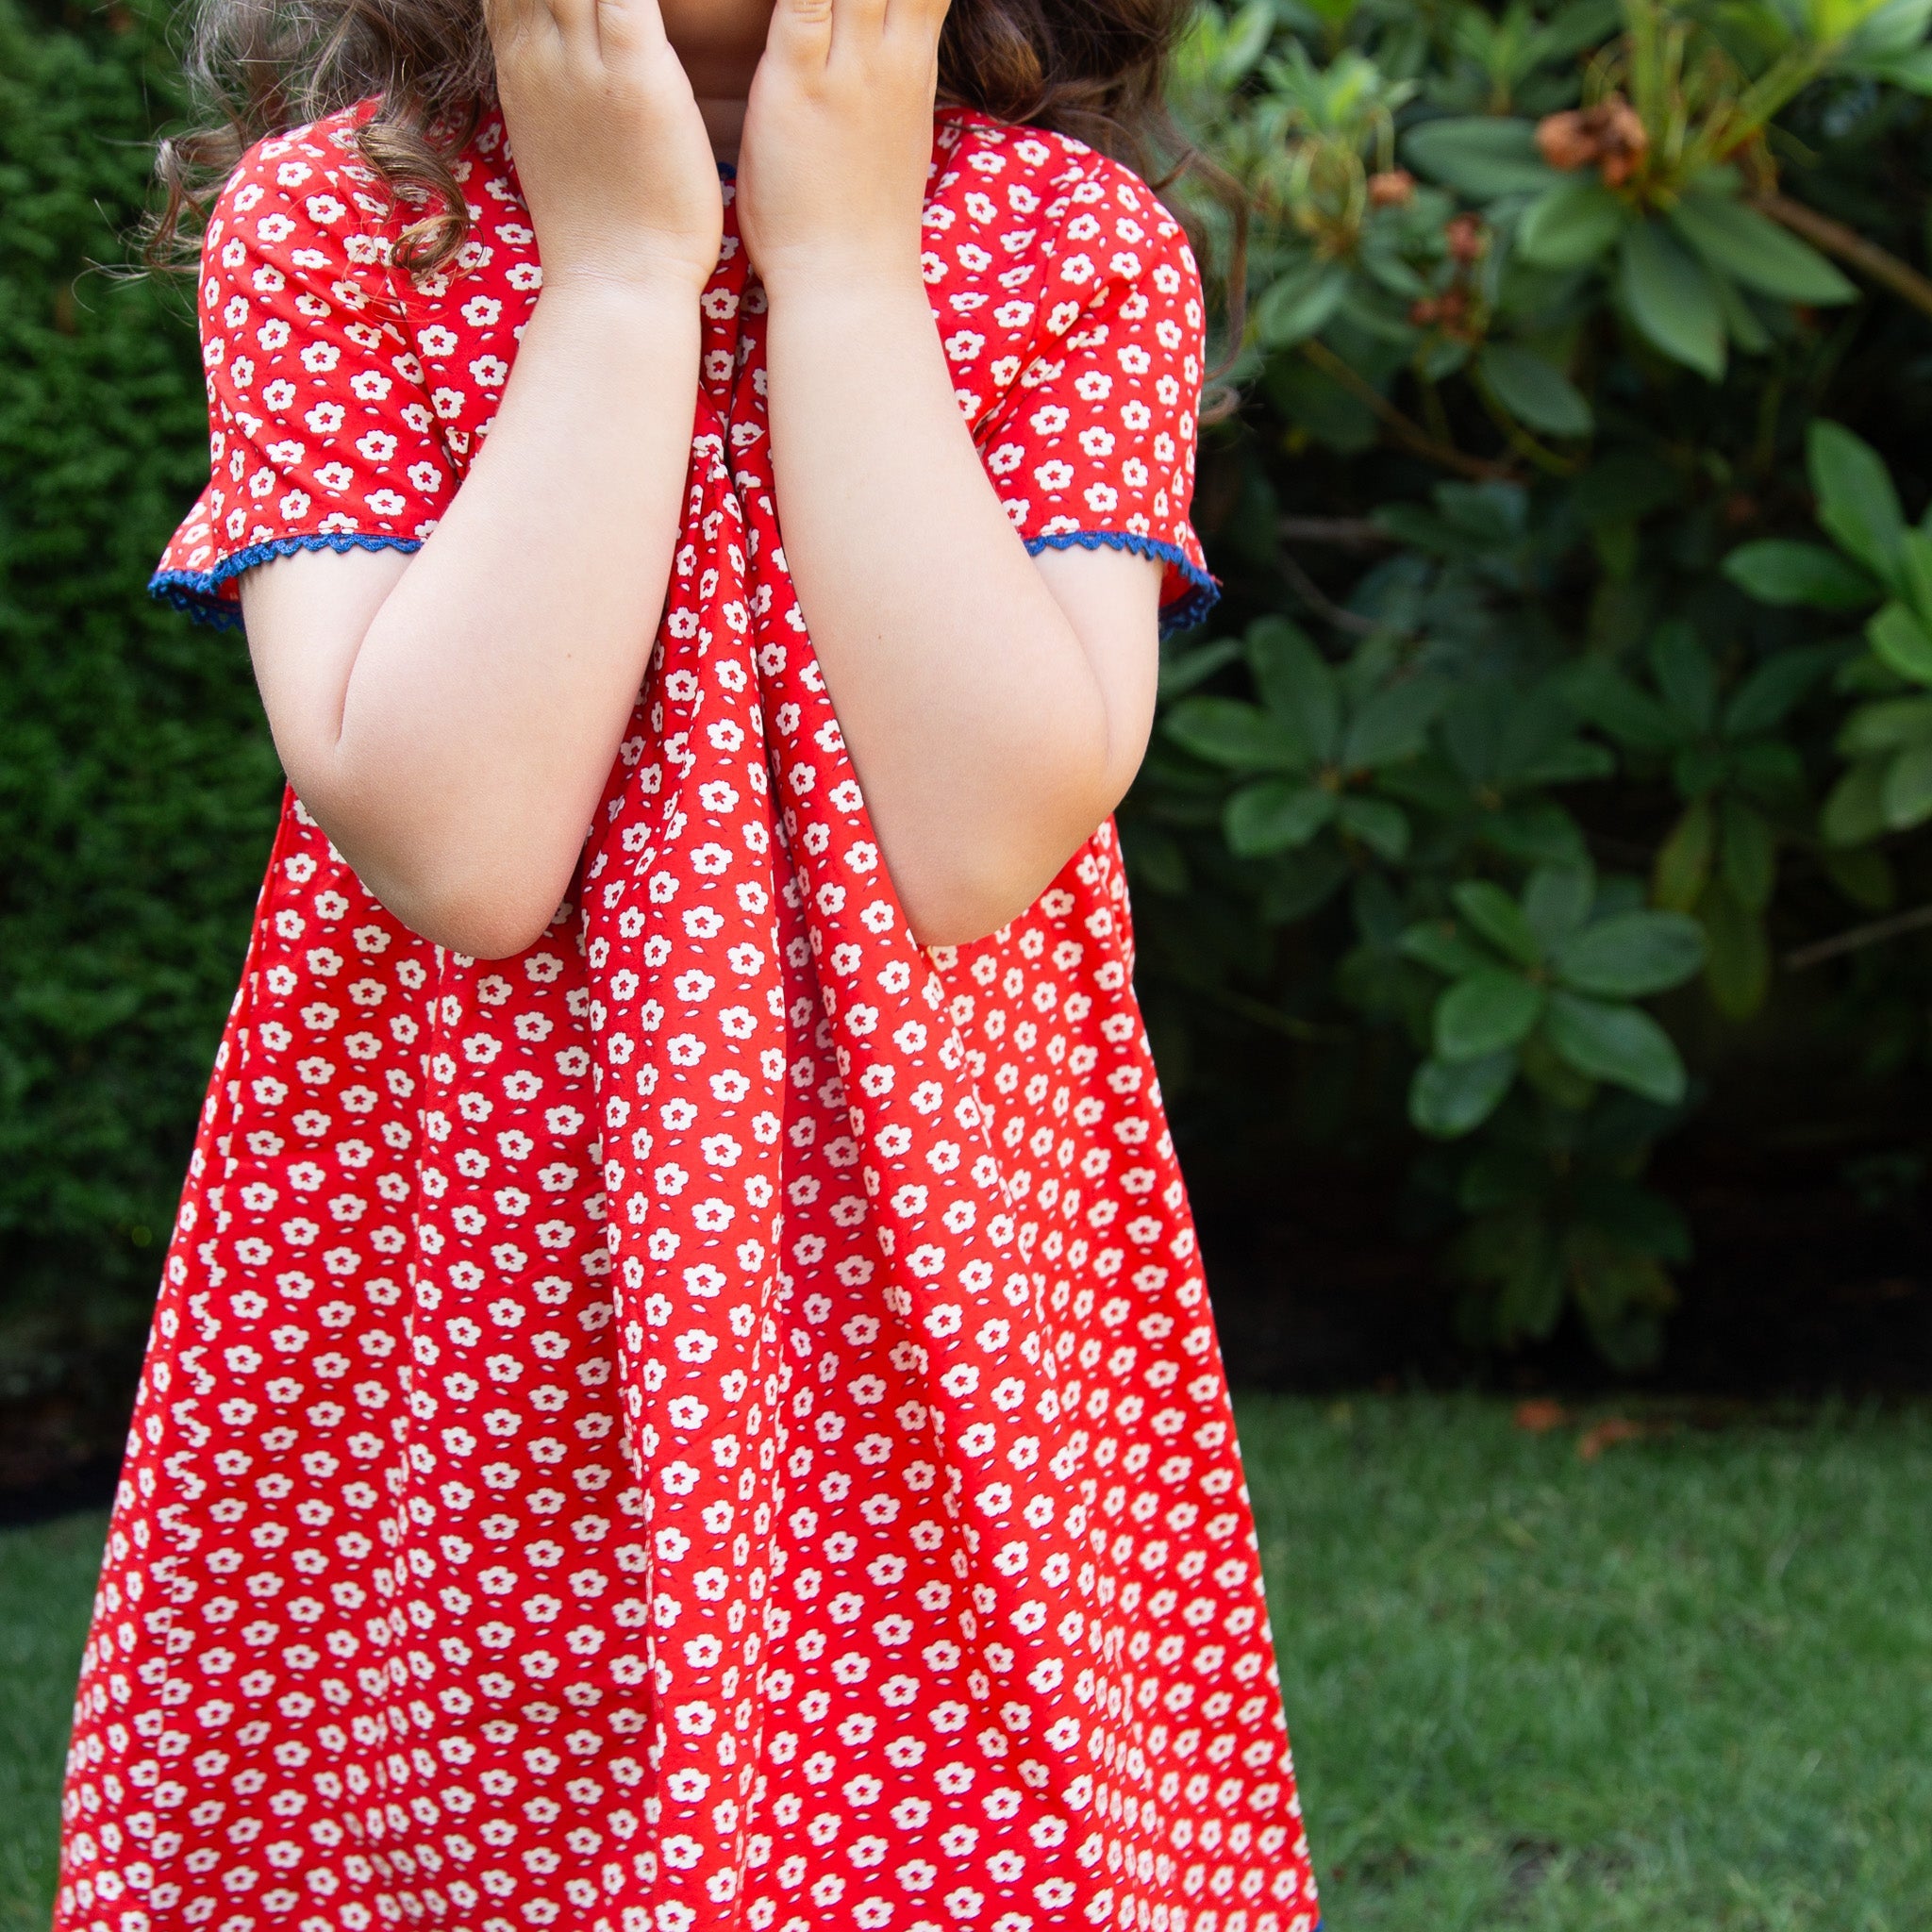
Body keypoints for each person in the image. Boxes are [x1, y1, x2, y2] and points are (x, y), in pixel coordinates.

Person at [54, 0, 1321, 1920]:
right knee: (469, 1816)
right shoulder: (344, 230)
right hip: (461, 1318)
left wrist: (840, 271)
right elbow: (464, 851)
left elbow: (980, 838)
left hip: (932, 1310)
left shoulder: (1061, 247)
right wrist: (630, 278)